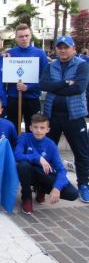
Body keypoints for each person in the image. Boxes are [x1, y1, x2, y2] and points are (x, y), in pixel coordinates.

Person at [40, 36, 89, 203]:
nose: (62, 50)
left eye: (66, 47)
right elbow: (44, 85)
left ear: (73, 48)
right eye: (59, 47)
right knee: (47, 152)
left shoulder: (82, 65)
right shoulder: (51, 65)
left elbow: (79, 88)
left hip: (74, 116)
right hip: (52, 115)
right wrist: (66, 83)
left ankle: (83, 184)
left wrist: (57, 87)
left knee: (81, 152)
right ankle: (45, 184)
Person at [14, 114, 78, 214]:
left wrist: (57, 187)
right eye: (35, 127)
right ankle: (27, 198)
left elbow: (61, 170)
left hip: (43, 175)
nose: (38, 130)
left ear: (47, 129)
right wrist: (37, 157)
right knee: (23, 165)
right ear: (30, 127)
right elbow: (17, 155)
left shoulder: (51, 145)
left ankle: (42, 190)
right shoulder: (24, 138)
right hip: (29, 173)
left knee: (73, 194)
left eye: (42, 128)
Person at [6, 24, 48, 132]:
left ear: (30, 36)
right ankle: (15, 148)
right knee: (13, 128)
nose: (24, 38)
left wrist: (28, 87)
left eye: (26, 35)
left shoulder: (40, 54)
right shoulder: (9, 54)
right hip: (14, 98)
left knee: (33, 129)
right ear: (16, 38)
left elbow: (44, 78)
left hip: (32, 98)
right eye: (21, 36)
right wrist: (5, 61)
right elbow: (4, 75)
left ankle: (30, 148)